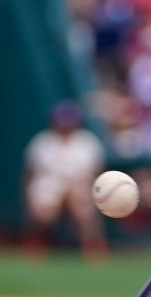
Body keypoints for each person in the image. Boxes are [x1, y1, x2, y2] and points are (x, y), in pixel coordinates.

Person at [22, 99, 108, 257]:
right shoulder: (42, 142)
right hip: (50, 185)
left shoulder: (87, 142)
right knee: (43, 206)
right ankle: (37, 243)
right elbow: (30, 175)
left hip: (79, 185)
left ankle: (93, 247)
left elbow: (97, 174)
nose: (66, 124)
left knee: (83, 206)